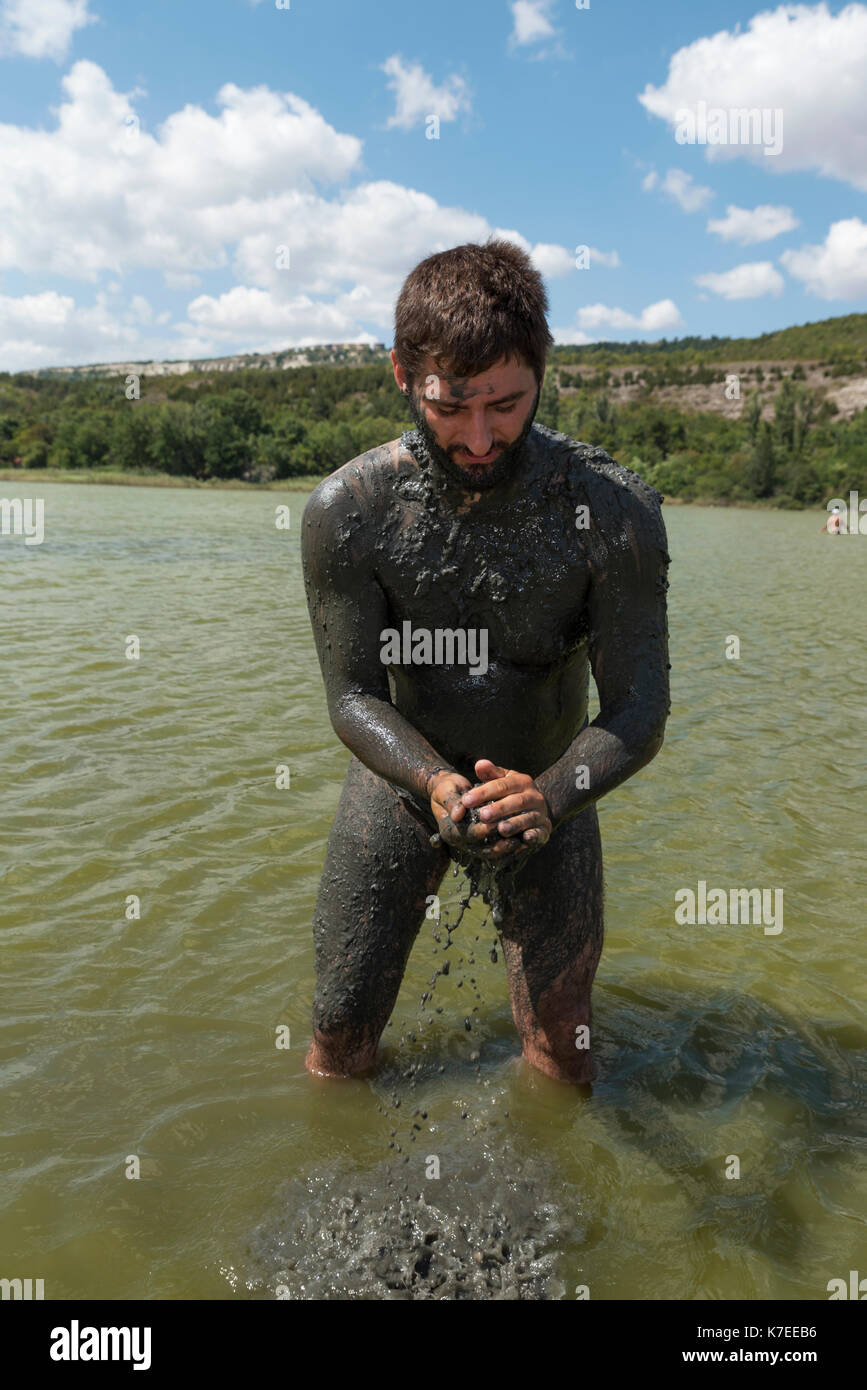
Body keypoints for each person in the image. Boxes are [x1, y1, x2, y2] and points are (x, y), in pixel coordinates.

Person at [301, 239, 670, 1084]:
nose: (477, 436)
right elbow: (354, 698)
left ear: (543, 371)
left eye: (505, 404)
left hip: (550, 789)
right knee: (338, 1039)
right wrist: (433, 784)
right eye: (450, 405)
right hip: (400, 789)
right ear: (402, 374)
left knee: (563, 1052)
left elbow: (638, 709)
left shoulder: (612, 512)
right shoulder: (348, 512)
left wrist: (548, 795)